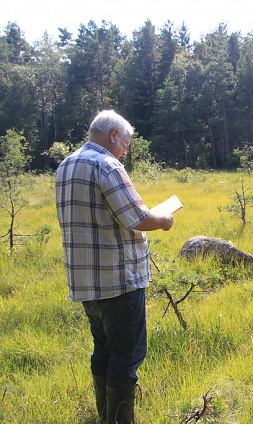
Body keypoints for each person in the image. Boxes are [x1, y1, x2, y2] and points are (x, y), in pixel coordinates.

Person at [55, 110, 173, 423]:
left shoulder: (65, 165)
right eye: (126, 144)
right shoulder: (107, 165)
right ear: (113, 136)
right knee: (125, 357)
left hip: (85, 283)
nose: (126, 151)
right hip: (119, 281)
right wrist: (164, 220)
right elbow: (138, 218)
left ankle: (106, 417)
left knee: (103, 351)